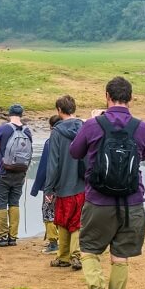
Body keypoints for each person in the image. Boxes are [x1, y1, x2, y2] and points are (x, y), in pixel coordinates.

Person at [68, 76, 145, 289]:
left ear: (107, 96)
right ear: (131, 98)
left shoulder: (94, 125)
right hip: (132, 203)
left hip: (98, 201)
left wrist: (89, 122)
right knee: (120, 259)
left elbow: (75, 152)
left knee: (89, 250)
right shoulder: (142, 127)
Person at [43, 95, 86, 270]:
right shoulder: (85, 128)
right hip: (82, 184)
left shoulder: (57, 133)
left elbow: (53, 163)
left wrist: (49, 188)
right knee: (77, 220)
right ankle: (75, 255)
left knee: (62, 221)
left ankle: (64, 256)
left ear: (59, 110)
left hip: (63, 185)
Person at [0, 104, 34, 247]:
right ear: (21, 114)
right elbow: (30, 153)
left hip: (3, 172)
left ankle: (2, 236)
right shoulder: (28, 131)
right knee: (14, 203)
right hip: (20, 172)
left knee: (1, 203)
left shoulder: (2, 129)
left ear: (9, 114)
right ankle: (13, 237)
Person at [29, 115, 62, 255]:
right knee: (63, 212)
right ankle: (64, 242)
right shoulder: (70, 141)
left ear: (51, 127)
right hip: (67, 185)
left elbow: (43, 167)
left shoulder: (50, 143)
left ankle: (53, 243)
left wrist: (36, 187)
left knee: (48, 212)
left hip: (51, 185)